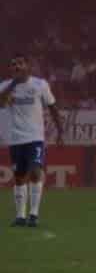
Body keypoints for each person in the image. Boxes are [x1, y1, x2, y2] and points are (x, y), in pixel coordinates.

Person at [2, 55, 63, 228]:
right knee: (19, 177)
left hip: (35, 137)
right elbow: (0, 104)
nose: (16, 66)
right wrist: (13, 84)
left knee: (36, 171)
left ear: (28, 66)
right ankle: (20, 216)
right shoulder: (6, 86)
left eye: (20, 63)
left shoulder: (40, 85)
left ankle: (34, 214)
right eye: (13, 64)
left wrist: (60, 131)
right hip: (15, 139)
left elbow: (52, 107)